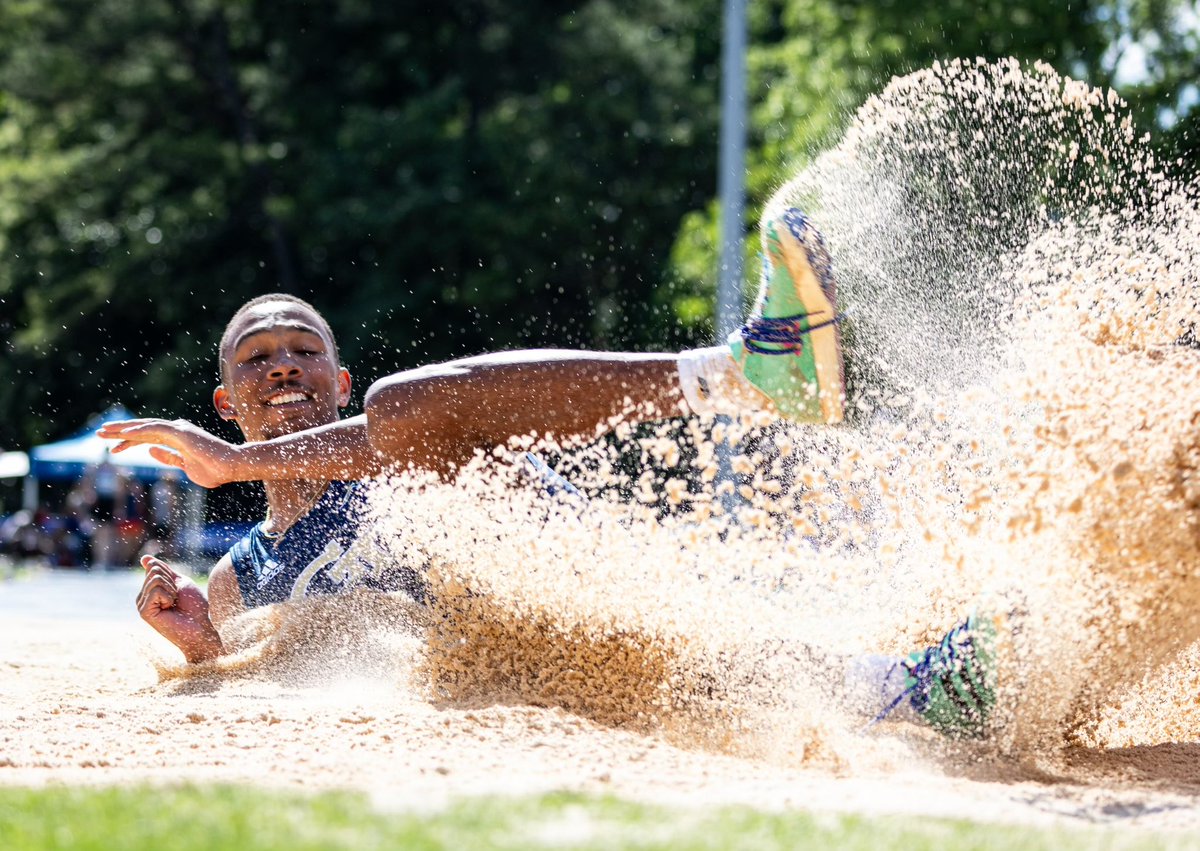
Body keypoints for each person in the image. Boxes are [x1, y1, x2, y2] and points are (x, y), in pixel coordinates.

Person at [102, 209, 996, 738]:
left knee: (405, 406)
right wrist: (199, 646)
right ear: (226, 398)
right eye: (258, 359)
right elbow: (275, 668)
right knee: (675, 669)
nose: (283, 366)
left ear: (335, 382)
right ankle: (915, 690)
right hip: (522, 662)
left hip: (571, 569)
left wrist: (235, 464)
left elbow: (385, 438)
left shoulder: (378, 444)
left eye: (303, 351)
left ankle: (747, 375)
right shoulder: (234, 577)